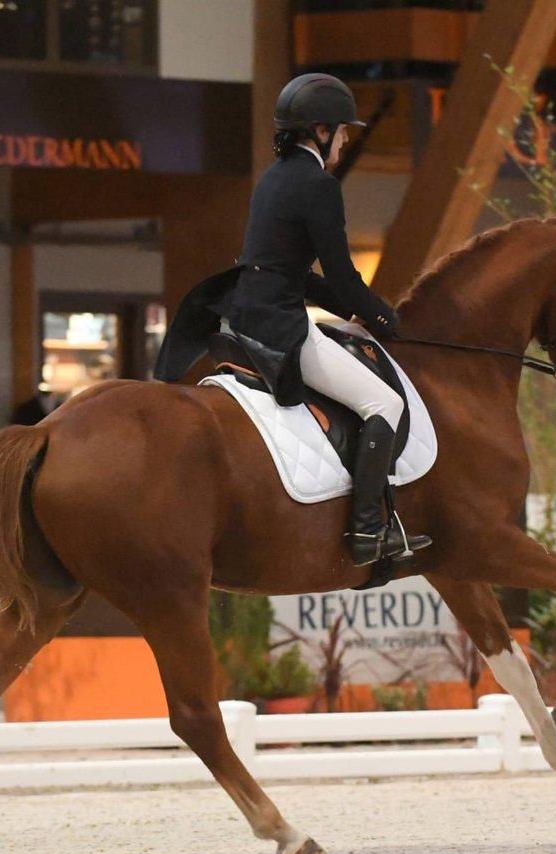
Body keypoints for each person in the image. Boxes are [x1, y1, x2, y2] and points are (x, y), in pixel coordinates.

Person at [159, 73, 431, 566]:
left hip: (243, 318)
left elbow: (294, 273)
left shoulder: (273, 178)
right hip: (281, 329)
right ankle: (369, 531)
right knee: (384, 403)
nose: (347, 141)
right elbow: (345, 280)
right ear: (322, 131)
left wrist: (356, 310)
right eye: (343, 132)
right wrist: (385, 318)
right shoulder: (318, 185)